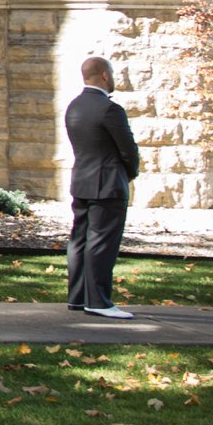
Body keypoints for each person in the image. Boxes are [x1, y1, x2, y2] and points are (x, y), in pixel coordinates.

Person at [65, 54, 140, 320]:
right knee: (101, 243)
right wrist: (131, 173)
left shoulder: (74, 106)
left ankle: (78, 298)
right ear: (105, 76)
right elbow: (127, 148)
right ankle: (98, 300)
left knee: (80, 240)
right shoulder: (110, 109)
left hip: (81, 181)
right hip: (107, 183)